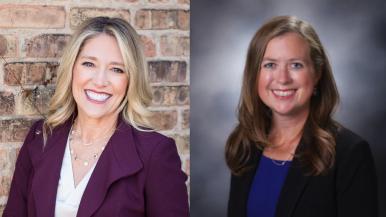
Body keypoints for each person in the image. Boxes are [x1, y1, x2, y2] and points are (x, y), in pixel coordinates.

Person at [3, 17, 189, 217]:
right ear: (72, 68)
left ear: (131, 80)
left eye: (117, 69)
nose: (100, 81)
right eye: (89, 64)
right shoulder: (41, 135)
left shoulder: (155, 153)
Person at [225, 16, 378, 217]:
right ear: (255, 74)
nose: (282, 78)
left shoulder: (350, 153)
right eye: (270, 65)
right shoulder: (246, 144)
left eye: (296, 65)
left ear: (317, 73)